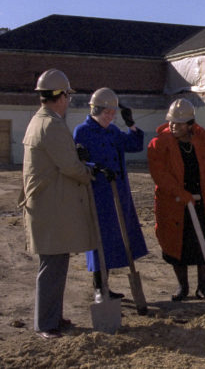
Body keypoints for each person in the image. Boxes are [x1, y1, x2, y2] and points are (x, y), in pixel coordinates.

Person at [19, 69, 98, 339]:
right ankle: (45, 324)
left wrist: (77, 158)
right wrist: (89, 170)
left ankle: (53, 316)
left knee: (56, 263)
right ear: (61, 96)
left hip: (48, 206)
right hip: (49, 208)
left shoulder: (41, 120)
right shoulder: (51, 124)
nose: (69, 101)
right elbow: (69, 167)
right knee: (51, 266)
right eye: (68, 96)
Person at [148, 98, 205, 301]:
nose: (172, 126)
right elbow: (160, 174)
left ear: (190, 124)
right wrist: (179, 192)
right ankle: (182, 286)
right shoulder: (159, 144)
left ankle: (203, 287)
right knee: (178, 247)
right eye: (171, 121)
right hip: (175, 205)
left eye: (178, 123)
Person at [73, 87, 148, 301]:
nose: (110, 116)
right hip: (98, 193)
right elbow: (77, 161)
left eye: (113, 113)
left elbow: (134, 145)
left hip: (119, 191)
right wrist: (93, 166)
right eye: (107, 112)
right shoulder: (82, 131)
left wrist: (131, 124)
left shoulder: (113, 131)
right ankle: (99, 287)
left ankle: (108, 285)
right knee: (100, 239)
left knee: (117, 238)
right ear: (95, 110)